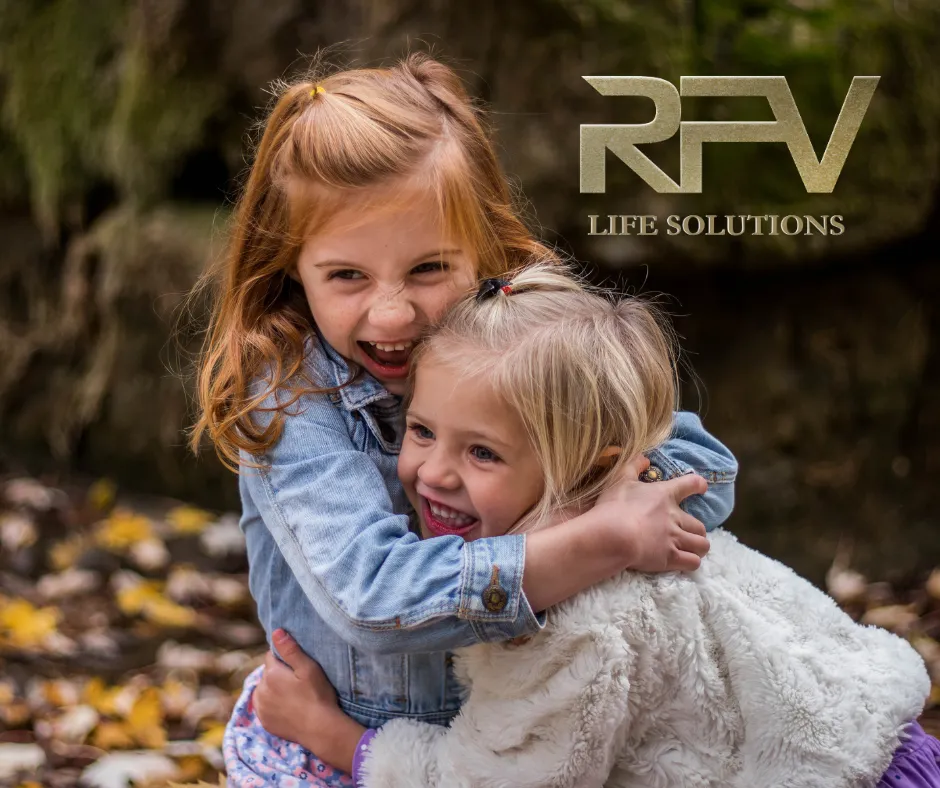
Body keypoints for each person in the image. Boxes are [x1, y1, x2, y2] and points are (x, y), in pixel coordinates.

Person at [190, 54, 737, 786]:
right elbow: (375, 597)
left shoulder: (520, 346)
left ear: (484, 248)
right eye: (347, 276)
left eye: (427, 271)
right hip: (339, 746)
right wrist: (594, 540)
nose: (393, 314)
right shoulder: (291, 395)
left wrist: (601, 501)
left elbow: (704, 472)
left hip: (512, 738)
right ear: (291, 265)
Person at [254, 263, 938, 788]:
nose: (433, 474)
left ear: (591, 465)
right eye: (422, 430)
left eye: (483, 452)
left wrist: (335, 737)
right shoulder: (631, 517)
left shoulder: (577, 619)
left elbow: (490, 781)